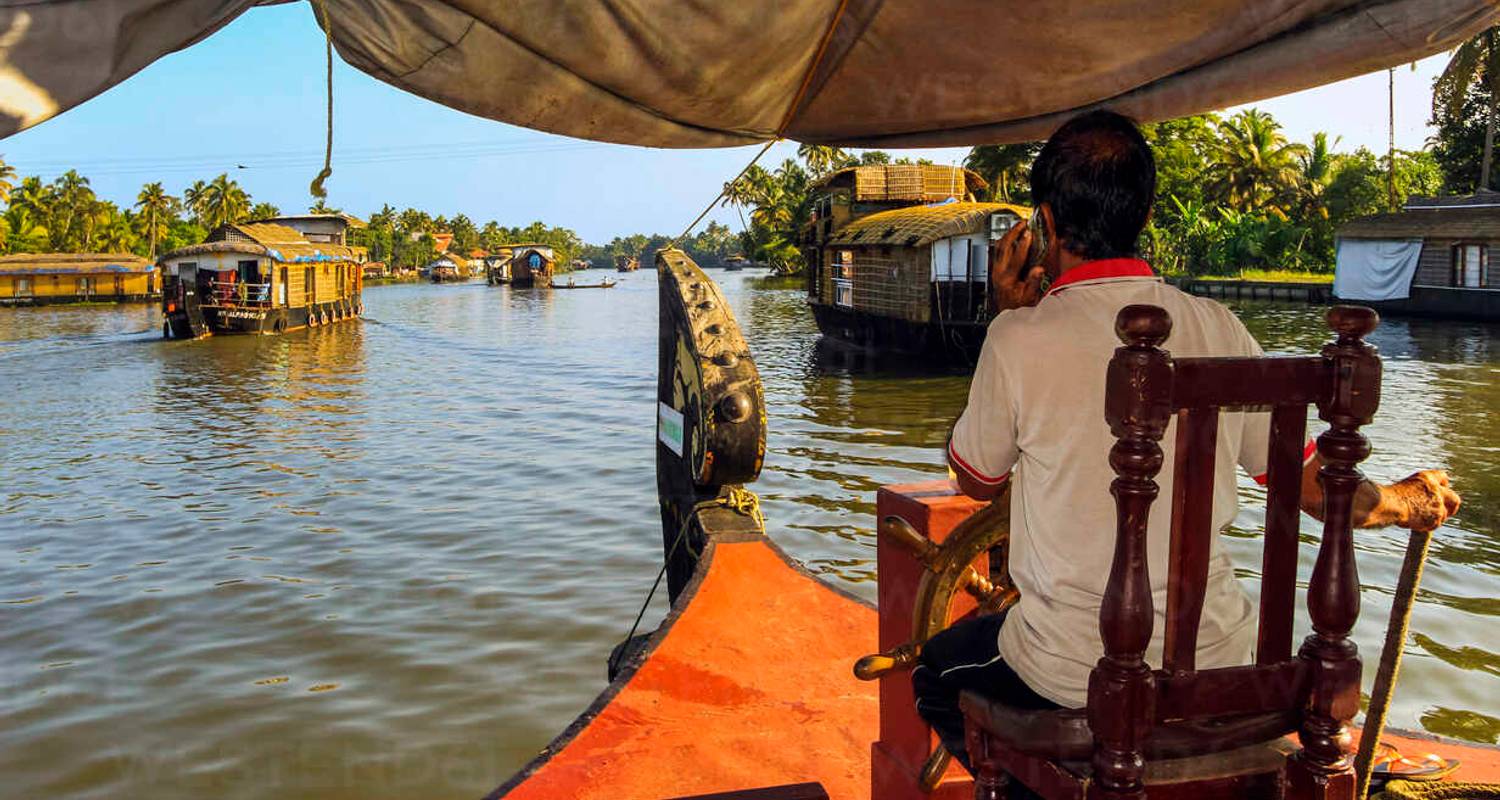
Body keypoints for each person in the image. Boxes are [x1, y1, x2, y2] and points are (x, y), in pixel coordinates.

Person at [913, 109, 1462, 771]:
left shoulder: (1019, 337)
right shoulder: (1220, 327)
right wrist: (1405, 501)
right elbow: (1317, 486)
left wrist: (1006, 314)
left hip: (1074, 677)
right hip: (1224, 667)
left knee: (938, 673)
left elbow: (976, 477)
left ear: (1045, 227)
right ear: (1145, 219)